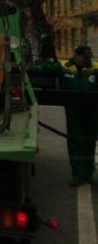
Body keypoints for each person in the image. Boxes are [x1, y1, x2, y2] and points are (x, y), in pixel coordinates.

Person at [32, 45, 98, 186]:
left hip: (92, 112)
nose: (86, 61)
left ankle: (88, 175)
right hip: (74, 113)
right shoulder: (64, 67)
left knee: (90, 142)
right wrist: (27, 68)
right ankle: (77, 175)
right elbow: (44, 70)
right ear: (76, 55)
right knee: (75, 142)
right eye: (84, 58)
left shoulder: (95, 68)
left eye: (88, 58)